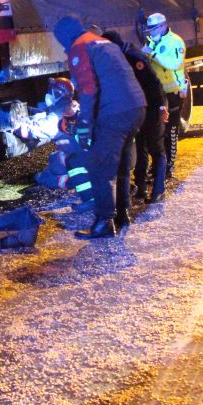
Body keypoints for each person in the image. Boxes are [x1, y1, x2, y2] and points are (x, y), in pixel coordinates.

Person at [54, 16, 146, 239]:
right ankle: (122, 215)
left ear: (65, 36)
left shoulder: (79, 47)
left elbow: (88, 89)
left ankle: (104, 223)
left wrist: (85, 124)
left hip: (114, 112)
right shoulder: (102, 43)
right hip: (136, 107)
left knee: (99, 166)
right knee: (121, 165)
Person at [103, 30, 168, 203]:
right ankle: (141, 188)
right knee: (141, 147)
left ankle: (158, 189)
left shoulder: (134, 57)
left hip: (152, 108)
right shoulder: (118, 57)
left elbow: (155, 84)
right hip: (137, 109)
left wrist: (162, 107)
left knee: (156, 148)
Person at [142, 12, 187, 176]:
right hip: (158, 93)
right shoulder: (152, 42)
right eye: (149, 30)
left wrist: (152, 54)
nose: (150, 32)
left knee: (170, 131)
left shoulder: (175, 42)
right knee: (156, 131)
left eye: (153, 29)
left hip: (173, 92)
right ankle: (158, 165)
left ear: (162, 26)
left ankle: (169, 166)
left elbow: (174, 63)